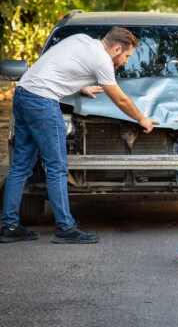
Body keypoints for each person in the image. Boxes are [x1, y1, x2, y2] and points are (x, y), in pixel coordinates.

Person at [0, 27, 159, 244]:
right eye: (127, 56)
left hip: (23, 94)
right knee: (56, 167)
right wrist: (142, 119)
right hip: (43, 103)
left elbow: (61, 65)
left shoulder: (83, 40)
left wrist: (82, 86)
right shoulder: (102, 61)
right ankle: (66, 227)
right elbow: (120, 100)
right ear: (117, 49)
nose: (126, 61)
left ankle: (9, 226)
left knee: (20, 166)